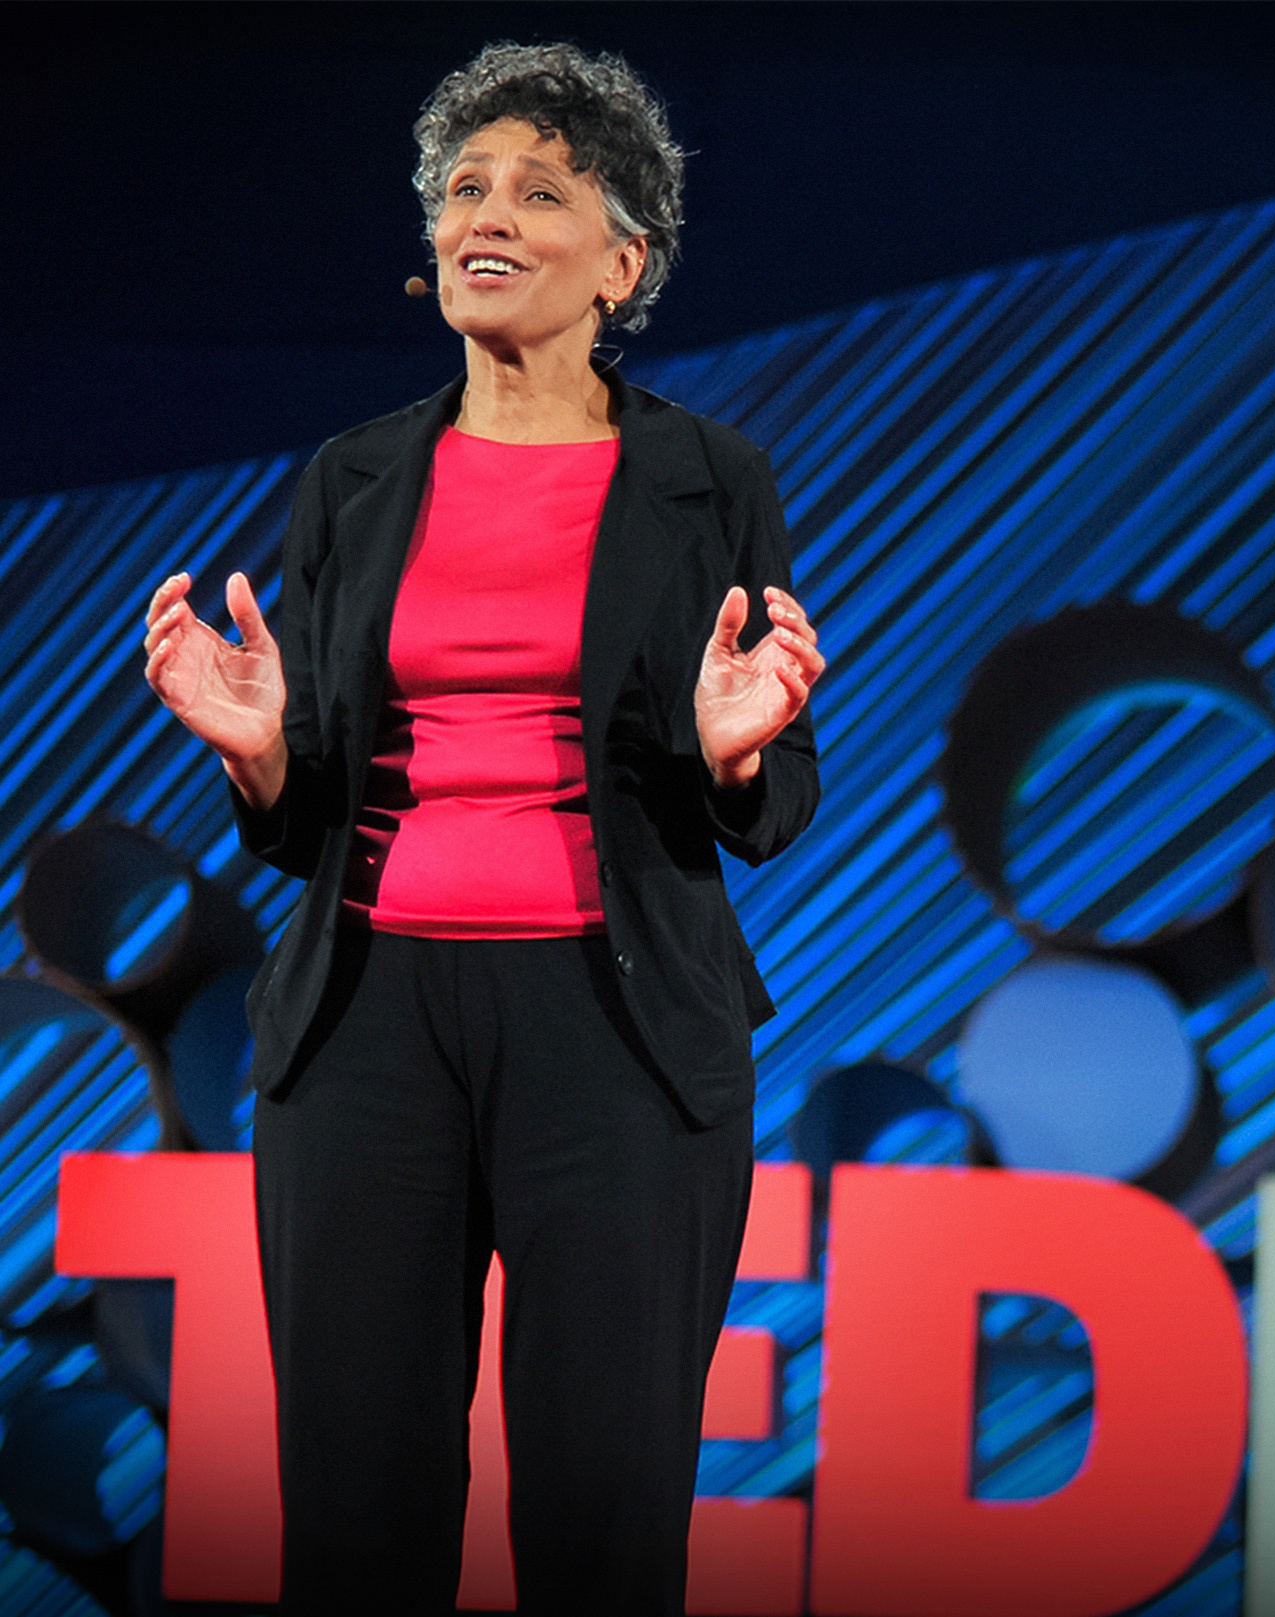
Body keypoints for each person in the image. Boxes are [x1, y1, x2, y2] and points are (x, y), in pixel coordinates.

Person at [140, 42, 821, 1615]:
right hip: (365, 1024)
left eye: (537, 191)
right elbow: (305, 817)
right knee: (358, 1516)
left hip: (618, 1024)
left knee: (603, 1512)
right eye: (462, 189)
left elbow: (782, 799)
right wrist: (258, 755)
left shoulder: (709, 480)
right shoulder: (357, 478)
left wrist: (730, 753)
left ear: (623, 260)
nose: (483, 216)